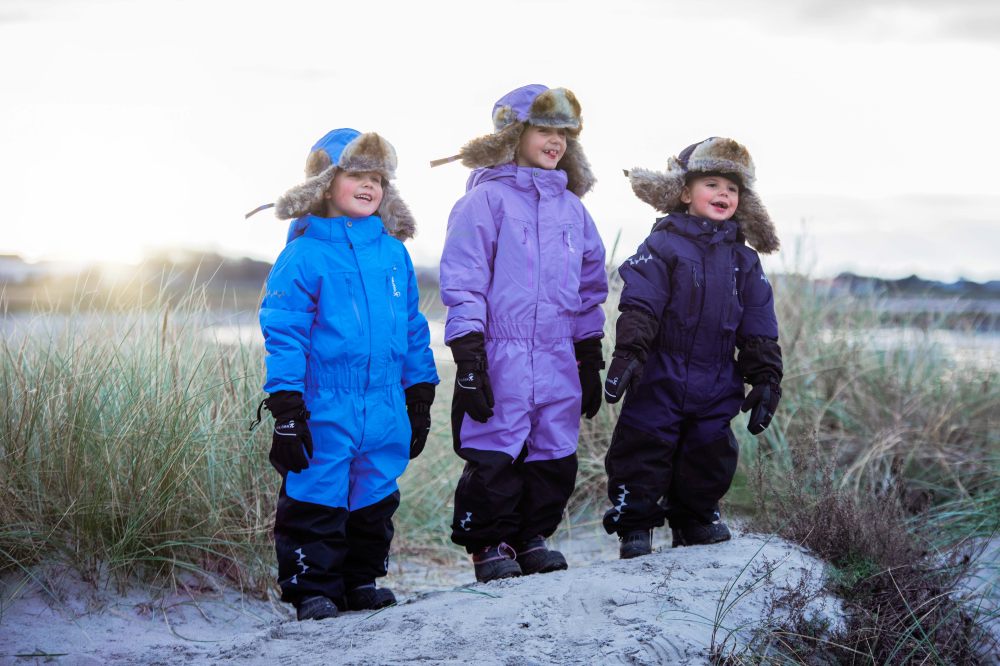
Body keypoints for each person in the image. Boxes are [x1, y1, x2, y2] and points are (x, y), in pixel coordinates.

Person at [254, 128, 438, 619]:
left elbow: (412, 324)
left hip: (383, 403)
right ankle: (312, 587)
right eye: (356, 174)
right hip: (325, 401)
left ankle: (359, 580)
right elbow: (285, 330)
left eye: (378, 177)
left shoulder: (393, 253)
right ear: (325, 183)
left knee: (375, 495)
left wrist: (419, 391)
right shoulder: (304, 254)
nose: (369, 185)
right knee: (317, 492)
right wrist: (287, 406)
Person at [433, 84, 608, 582]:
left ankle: (531, 537)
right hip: (501, 349)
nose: (555, 142)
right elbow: (464, 280)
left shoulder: (573, 209)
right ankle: (489, 544)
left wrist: (588, 353)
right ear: (515, 133)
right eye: (543, 130)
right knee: (496, 446)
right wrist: (469, 355)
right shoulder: (485, 202)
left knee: (553, 449)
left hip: (557, 350)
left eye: (563, 134)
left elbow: (590, 286)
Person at [602, 137, 782, 558]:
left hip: (717, 375)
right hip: (660, 372)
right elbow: (641, 303)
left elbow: (758, 321)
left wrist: (766, 374)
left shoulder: (745, 260)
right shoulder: (662, 246)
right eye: (712, 184)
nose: (723, 194)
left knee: (710, 451)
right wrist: (630, 353)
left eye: (732, 189)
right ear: (684, 193)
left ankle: (695, 519)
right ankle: (635, 526)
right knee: (644, 445)